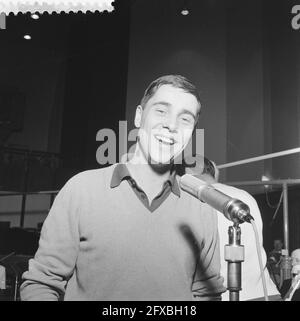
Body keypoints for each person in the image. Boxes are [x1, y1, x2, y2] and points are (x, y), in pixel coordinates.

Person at [20, 75, 226, 301]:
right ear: (139, 116)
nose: (171, 125)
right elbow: (41, 284)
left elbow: (208, 294)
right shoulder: (81, 190)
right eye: (161, 111)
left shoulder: (200, 206)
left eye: (185, 119)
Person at [185, 156, 281, 301]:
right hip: (265, 293)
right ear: (213, 171)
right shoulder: (244, 196)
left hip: (222, 296)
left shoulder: (191, 200)